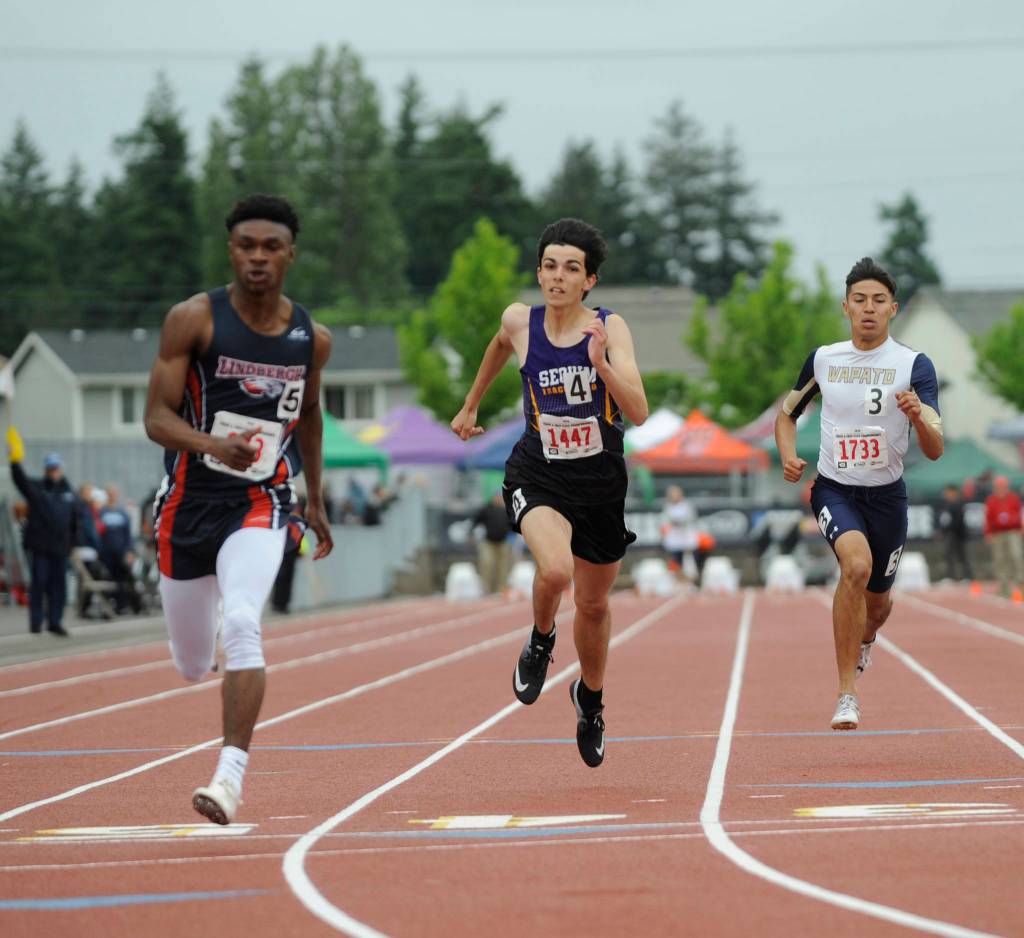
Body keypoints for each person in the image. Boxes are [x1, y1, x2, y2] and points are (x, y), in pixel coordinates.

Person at [144, 193, 333, 825]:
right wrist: (210, 445)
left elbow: (309, 416)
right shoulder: (194, 320)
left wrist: (317, 499)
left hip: (261, 500)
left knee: (245, 621)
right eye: (246, 246)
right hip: (187, 508)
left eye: (270, 247)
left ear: (290, 255)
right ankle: (216, 620)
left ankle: (228, 778)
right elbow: (156, 418)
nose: (258, 258)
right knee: (192, 663)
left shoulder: (313, 338)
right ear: (232, 250)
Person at [450, 217, 648, 767]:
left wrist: (603, 366)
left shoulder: (610, 327)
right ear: (538, 272)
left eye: (572, 269)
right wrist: (470, 405)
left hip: (602, 481)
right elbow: (496, 346)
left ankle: (590, 700)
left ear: (590, 281)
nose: (558, 277)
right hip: (539, 471)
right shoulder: (520, 321)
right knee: (556, 571)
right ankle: (540, 641)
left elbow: (639, 410)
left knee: (593, 603)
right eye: (550, 266)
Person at [775, 257, 943, 731]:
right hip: (834, 489)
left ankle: (865, 638)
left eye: (879, 301)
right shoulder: (824, 359)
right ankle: (847, 692)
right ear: (845, 307)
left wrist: (916, 417)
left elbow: (934, 448)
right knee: (855, 565)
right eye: (859, 300)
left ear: (893, 309)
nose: (868, 309)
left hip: (887, 496)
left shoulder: (914, 365)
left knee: (879, 605)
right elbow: (787, 414)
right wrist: (788, 454)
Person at [5, 434, 78, 636]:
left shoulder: (69, 492)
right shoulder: (37, 487)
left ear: (61, 469)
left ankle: (55, 621)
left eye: (56, 468)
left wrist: (73, 543)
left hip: (60, 547)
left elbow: (75, 520)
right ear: (46, 469)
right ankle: (36, 622)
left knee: (58, 586)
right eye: (50, 468)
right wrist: (14, 461)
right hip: (40, 546)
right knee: (39, 583)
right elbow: (20, 480)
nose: (54, 472)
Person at [97, 484, 140, 613]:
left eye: (114, 493)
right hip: (106, 552)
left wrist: (130, 551)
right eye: (110, 493)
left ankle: (124, 605)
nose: (112, 496)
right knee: (108, 578)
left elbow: (128, 535)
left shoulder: (122, 513)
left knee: (122, 579)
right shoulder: (102, 512)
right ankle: (109, 605)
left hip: (121, 552)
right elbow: (98, 532)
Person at [983, 475, 1023, 597]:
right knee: (1000, 559)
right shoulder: (991, 500)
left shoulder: (1014, 498)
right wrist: (988, 532)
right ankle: (1004, 586)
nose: (1001, 489)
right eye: (999, 487)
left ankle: (1020, 583)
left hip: (1013, 531)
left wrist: (1021, 528)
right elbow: (988, 518)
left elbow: (1020, 514)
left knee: (1016, 556)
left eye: (1003, 487)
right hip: (997, 533)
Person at [472, 491, 513, 594]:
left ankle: (501, 589)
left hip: (503, 542)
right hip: (488, 542)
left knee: (503, 567)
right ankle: (486, 589)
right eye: (497, 497)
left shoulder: (507, 509)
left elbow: (513, 525)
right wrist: (472, 533)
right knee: (487, 564)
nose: (499, 499)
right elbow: (476, 520)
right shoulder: (487, 509)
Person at [661, 484, 698, 583]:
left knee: (689, 563)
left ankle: (690, 582)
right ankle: (679, 581)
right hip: (675, 540)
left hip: (686, 539)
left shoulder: (686, 506)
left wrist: (679, 521)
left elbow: (689, 519)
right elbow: (667, 520)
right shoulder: (668, 507)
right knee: (676, 562)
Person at [937, 483, 973, 582]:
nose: (946, 495)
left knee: (962, 556)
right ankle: (950, 577)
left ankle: (967, 577)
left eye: (948, 492)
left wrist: (951, 531)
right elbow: (944, 520)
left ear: (954, 493)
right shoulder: (946, 505)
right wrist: (943, 531)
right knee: (948, 556)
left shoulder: (959, 504)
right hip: (949, 535)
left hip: (959, 534)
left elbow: (958, 521)